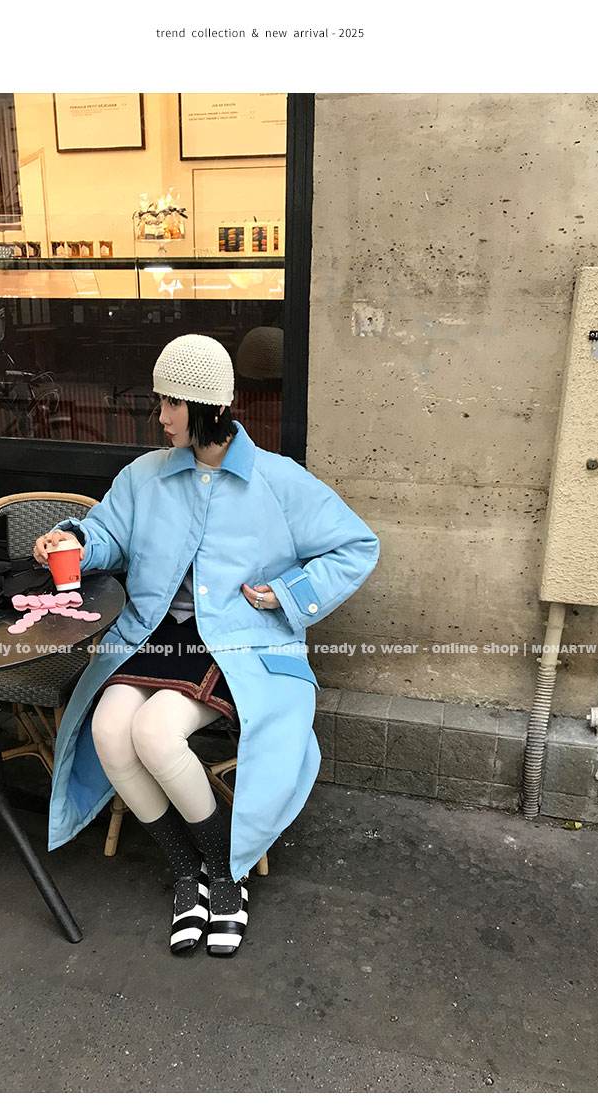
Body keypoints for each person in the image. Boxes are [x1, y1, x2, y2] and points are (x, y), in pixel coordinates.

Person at [34, 334, 379, 958]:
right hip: (151, 633)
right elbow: (108, 534)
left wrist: (288, 593)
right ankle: (185, 873)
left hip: (235, 643)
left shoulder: (277, 479)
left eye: (172, 403)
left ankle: (224, 875)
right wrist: (74, 541)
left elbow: (356, 546)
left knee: (155, 734)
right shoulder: (144, 475)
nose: (160, 416)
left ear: (209, 406)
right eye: (160, 401)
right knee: (109, 731)